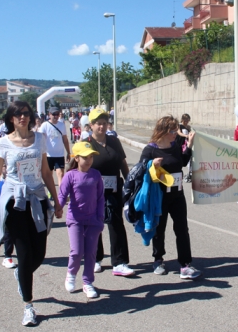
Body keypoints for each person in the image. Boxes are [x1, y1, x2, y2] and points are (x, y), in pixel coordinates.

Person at [0, 100, 63, 326]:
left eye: (26, 114)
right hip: (15, 204)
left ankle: (22, 274)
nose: (22, 117)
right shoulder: (2, 143)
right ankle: (28, 305)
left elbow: (46, 172)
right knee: (25, 254)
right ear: (11, 119)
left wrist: (56, 201)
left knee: (39, 253)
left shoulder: (40, 139)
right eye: (18, 115)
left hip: (37, 200)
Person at [140, 115, 201, 279]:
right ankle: (158, 260)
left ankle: (185, 264)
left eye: (176, 130)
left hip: (178, 194)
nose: (176, 133)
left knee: (182, 229)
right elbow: (139, 171)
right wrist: (151, 165)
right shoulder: (151, 150)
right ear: (163, 131)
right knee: (159, 229)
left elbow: (182, 162)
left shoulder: (175, 146)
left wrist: (189, 146)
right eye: (173, 130)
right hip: (160, 196)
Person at [86, 108, 134, 276]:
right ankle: (95, 259)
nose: (102, 127)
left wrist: (130, 183)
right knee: (94, 225)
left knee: (116, 223)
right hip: (92, 191)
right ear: (91, 125)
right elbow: (75, 167)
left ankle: (119, 262)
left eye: (105, 123)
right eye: (98, 124)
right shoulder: (86, 144)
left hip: (114, 189)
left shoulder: (114, 141)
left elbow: (122, 163)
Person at [58, 142, 105, 299]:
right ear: (76, 158)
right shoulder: (70, 176)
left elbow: (100, 198)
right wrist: (57, 209)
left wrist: (100, 218)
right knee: (77, 251)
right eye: (85, 157)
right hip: (75, 220)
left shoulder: (96, 175)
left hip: (93, 220)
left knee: (91, 253)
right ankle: (71, 274)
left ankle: (88, 282)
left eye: (91, 157)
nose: (89, 160)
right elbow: (62, 195)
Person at [38, 107, 71, 187]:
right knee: (49, 175)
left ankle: (61, 195)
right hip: (48, 155)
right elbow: (39, 139)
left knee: (60, 174)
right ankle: (51, 192)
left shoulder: (61, 125)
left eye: (57, 114)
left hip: (59, 155)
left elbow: (65, 140)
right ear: (49, 114)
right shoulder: (45, 125)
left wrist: (68, 152)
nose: (56, 116)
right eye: (54, 114)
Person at [176, 114, 193, 183]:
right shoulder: (179, 125)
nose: (186, 122)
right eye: (185, 120)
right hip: (179, 144)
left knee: (188, 159)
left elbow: (192, 133)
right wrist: (186, 135)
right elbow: (179, 133)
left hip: (186, 144)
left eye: (188, 121)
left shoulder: (188, 127)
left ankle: (189, 173)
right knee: (179, 158)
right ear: (182, 120)